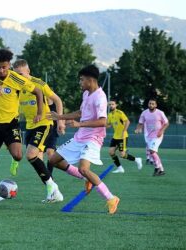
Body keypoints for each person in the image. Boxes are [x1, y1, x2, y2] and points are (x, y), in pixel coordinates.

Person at [0, 49, 45, 209]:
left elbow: (38, 91)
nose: (1, 70)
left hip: (11, 124)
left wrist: (40, 113)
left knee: (18, 155)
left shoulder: (16, 79)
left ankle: (12, 154)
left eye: (4, 67)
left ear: (9, 66)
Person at [47, 65, 120, 214]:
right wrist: (61, 117)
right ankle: (87, 178)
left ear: (90, 80)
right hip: (80, 136)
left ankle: (111, 198)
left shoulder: (100, 97)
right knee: (53, 160)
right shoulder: (87, 94)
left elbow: (102, 122)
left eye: (81, 80)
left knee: (84, 169)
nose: (80, 83)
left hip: (93, 138)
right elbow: (81, 112)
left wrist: (79, 124)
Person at [9, 59, 65, 203]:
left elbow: (57, 100)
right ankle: (53, 192)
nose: (18, 77)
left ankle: (53, 188)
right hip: (29, 127)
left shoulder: (39, 83)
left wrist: (60, 121)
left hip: (44, 124)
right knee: (37, 162)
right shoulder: (16, 87)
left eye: (20, 74)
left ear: (28, 71)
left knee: (31, 154)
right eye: (15, 74)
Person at [135, 98, 169, 176]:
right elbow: (140, 123)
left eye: (153, 104)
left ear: (156, 105)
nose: (151, 105)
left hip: (158, 135)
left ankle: (157, 168)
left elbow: (166, 123)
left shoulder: (160, 113)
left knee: (152, 151)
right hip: (149, 136)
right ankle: (161, 170)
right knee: (153, 153)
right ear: (148, 104)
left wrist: (161, 131)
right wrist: (138, 129)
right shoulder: (144, 113)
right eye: (150, 103)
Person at [107, 99, 143, 173]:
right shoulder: (110, 115)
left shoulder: (120, 113)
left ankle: (137, 159)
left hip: (122, 137)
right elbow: (108, 125)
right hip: (115, 137)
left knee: (122, 155)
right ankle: (120, 168)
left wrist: (124, 131)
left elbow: (127, 121)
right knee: (111, 152)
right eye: (110, 104)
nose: (111, 106)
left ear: (116, 105)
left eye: (112, 104)